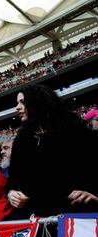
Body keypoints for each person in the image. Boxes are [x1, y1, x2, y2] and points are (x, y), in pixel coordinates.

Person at [7, 85, 98, 218]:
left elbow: (93, 164)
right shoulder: (21, 140)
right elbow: (13, 178)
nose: (17, 107)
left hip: (76, 214)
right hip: (38, 218)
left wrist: (95, 194)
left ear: (37, 102)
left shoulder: (73, 128)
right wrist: (11, 193)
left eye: (22, 102)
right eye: (17, 103)